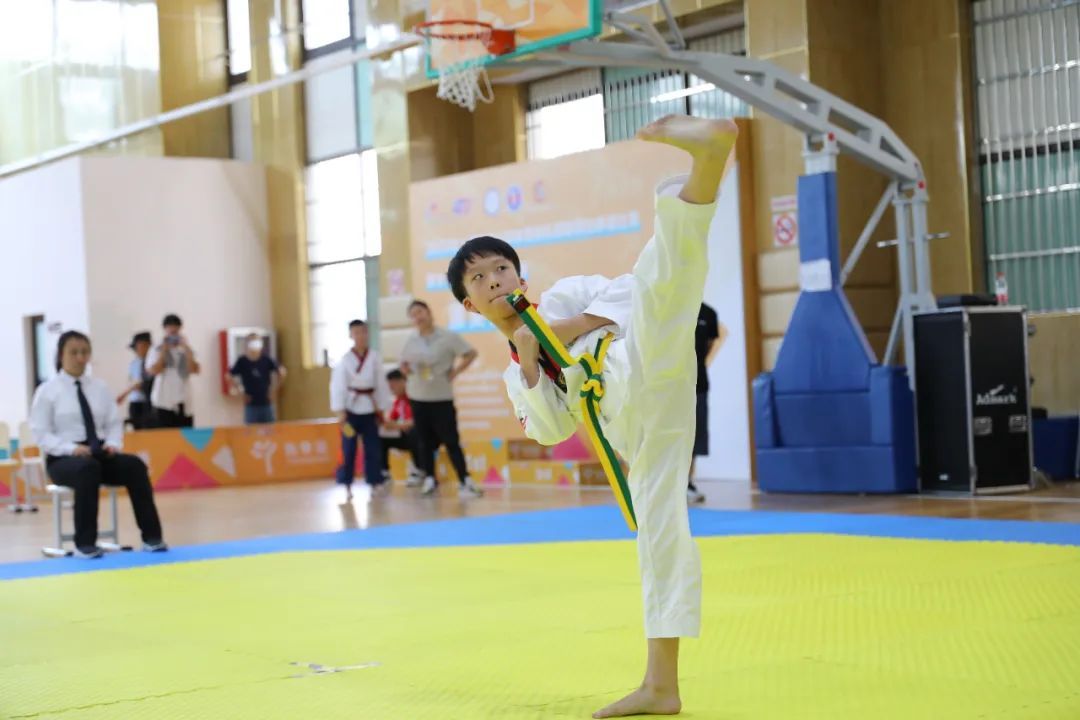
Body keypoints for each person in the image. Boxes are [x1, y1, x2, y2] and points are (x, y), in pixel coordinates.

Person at [446, 115, 736, 718]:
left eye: (501, 268)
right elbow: (551, 429)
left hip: (639, 360)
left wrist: (558, 329)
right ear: (469, 303)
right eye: (479, 278)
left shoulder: (565, 295)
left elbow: (628, 292)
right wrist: (529, 361)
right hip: (632, 425)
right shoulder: (513, 375)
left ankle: (710, 158)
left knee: (663, 276)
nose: (494, 280)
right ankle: (662, 686)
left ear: (520, 276)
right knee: (659, 534)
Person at [29, 330, 168, 558]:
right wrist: (72, 449)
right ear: (61, 355)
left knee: (135, 466)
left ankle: (152, 537)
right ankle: (85, 544)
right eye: (74, 352)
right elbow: (41, 434)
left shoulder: (100, 388)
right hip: (63, 459)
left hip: (98, 452)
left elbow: (113, 424)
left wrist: (112, 444)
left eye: (85, 352)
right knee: (87, 469)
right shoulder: (47, 391)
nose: (80, 358)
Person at [399, 299, 483, 498]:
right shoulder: (410, 340)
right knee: (423, 441)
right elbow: (403, 365)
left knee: (451, 440)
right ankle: (430, 478)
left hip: (441, 397)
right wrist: (406, 369)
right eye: (413, 315)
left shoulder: (447, 336)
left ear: (429, 312)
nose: (417, 317)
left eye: (420, 312)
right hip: (418, 396)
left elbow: (471, 353)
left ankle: (464, 480)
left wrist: (456, 371)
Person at [329, 319, 392, 500]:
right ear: (351, 335)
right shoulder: (345, 360)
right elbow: (338, 386)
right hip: (350, 410)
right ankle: (346, 483)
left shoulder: (375, 357)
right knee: (348, 449)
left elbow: (381, 384)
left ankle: (374, 481)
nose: (361, 336)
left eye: (363, 332)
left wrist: (382, 408)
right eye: (356, 332)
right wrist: (340, 410)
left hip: (370, 409)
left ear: (368, 334)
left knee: (372, 448)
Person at [688, 302, 725, 504]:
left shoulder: (708, 314)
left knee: (694, 436)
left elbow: (709, 345)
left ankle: (687, 482)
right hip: (669, 384)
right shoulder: (669, 305)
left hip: (699, 384)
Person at [145, 314, 200, 427]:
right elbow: (154, 371)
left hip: (183, 401)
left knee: (185, 434)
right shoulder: (156, 349)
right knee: (165, 435)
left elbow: (194, 370)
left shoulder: (185, 349)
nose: (173, 331)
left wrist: (187, 349)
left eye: (176, 329)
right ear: (165, 329)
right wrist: (163, 351)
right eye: (170, 328)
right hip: (163, 401)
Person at [379, 369, 423, 485]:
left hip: (421, 436)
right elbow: (391, 421)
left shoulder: (414, 397)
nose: (391, 389)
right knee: (381, 438)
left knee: (414, 433)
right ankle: (384, 472)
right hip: (405, 435)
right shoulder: (398, 401)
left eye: (393, 386)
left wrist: (398, 425)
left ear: (402, 382)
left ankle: (420, 470)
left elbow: (416, 421)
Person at [229, 333, 285, 424]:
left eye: (257, 341)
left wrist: (274, 390)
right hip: (250, 404)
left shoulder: (266, 359)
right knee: (251, 430)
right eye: (252, 341)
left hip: (266, 402)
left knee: (270, 429)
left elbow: (282, 372)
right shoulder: (242, 361)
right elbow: (229, 375)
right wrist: (240, 391)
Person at [116, 331, 154, 430]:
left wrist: (125, 393)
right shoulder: (134, 363)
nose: (137, 350)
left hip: (148, 402)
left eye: (140, 346)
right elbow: (132, 381)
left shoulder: (153, 363)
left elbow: (143, 382)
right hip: (135, 401)